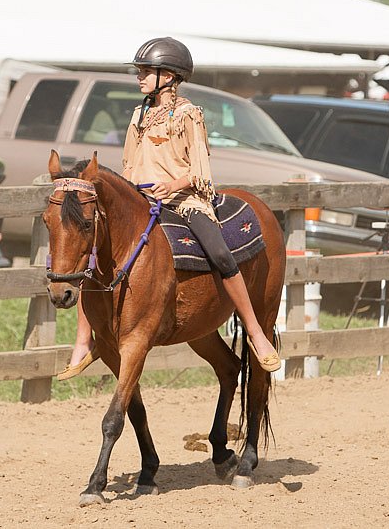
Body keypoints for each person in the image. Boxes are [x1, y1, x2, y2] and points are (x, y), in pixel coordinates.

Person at [57, 37, 280, 380]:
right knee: (92, 251)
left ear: (170, 76)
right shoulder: (139, 114)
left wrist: (173, 186)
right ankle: (84, 342)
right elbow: (130, 163)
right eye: (140, 71)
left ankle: (255, 332)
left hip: (184, 199)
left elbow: (200, 168)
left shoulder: (189, 114)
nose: (140, 77)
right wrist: (129, 192)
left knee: (220, 254)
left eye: (147, 71)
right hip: (142, 199)